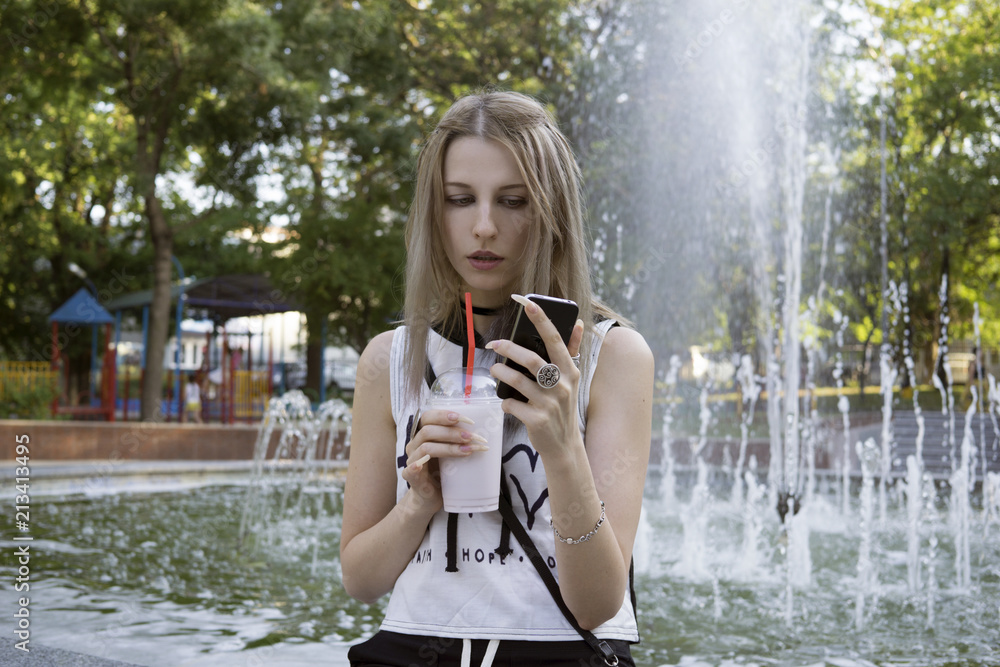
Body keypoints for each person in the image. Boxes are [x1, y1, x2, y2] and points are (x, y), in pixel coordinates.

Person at [340, 90, 654, 667]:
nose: (483, 226)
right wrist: (418, 501)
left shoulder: (613, 357)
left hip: (555, 653)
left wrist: (562, 452)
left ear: (551, 210)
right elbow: (361, 578)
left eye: (512, 200)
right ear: (434, 212)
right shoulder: (390, 358)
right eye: (460, 199)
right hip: (409, 649)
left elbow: (597, 604)